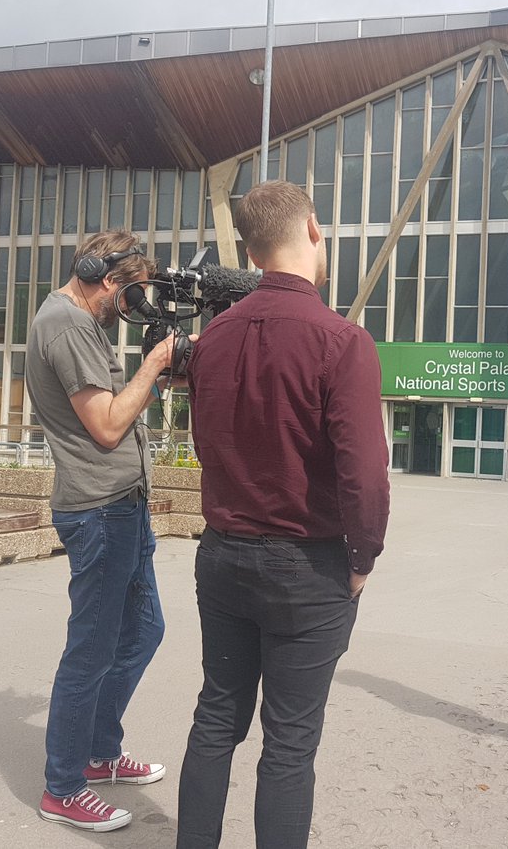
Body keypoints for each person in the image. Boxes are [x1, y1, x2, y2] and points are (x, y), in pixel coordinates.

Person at [177, 180, 391, 849]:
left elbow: (204, 441)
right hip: (309, 565)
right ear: (314, 232)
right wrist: (361, 561)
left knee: (217, 717)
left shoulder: (212, 339)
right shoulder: (341, 340)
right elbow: (364, 474)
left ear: (248, 249)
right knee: (291, 743)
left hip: (223, 553)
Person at [25, 229, 178, 832]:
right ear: (108, 280)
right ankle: (63, 786)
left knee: (143, 630)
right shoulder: (66, 325)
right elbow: (108, 426)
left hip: (122, 506)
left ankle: (96, 753)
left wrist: (155, 382)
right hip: (99, 510)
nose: (131, 308)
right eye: (130, 295)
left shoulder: (78, 323)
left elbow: (116, 402)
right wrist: (154, 364)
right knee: (90, 648)